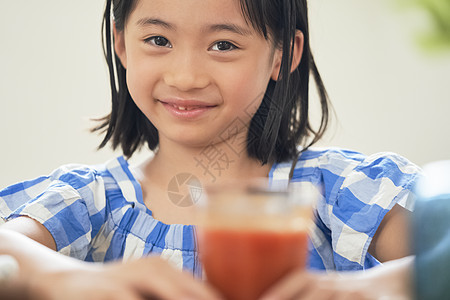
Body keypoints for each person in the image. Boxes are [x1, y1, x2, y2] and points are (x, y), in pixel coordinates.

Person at [0, 0, 421, 299]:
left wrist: (371, 288)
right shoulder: (90, 203)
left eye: (223, 45)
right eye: (158, 39)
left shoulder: (337, 193)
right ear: (122, 44)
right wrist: (63, 279)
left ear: (283, 55)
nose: (185, 77)